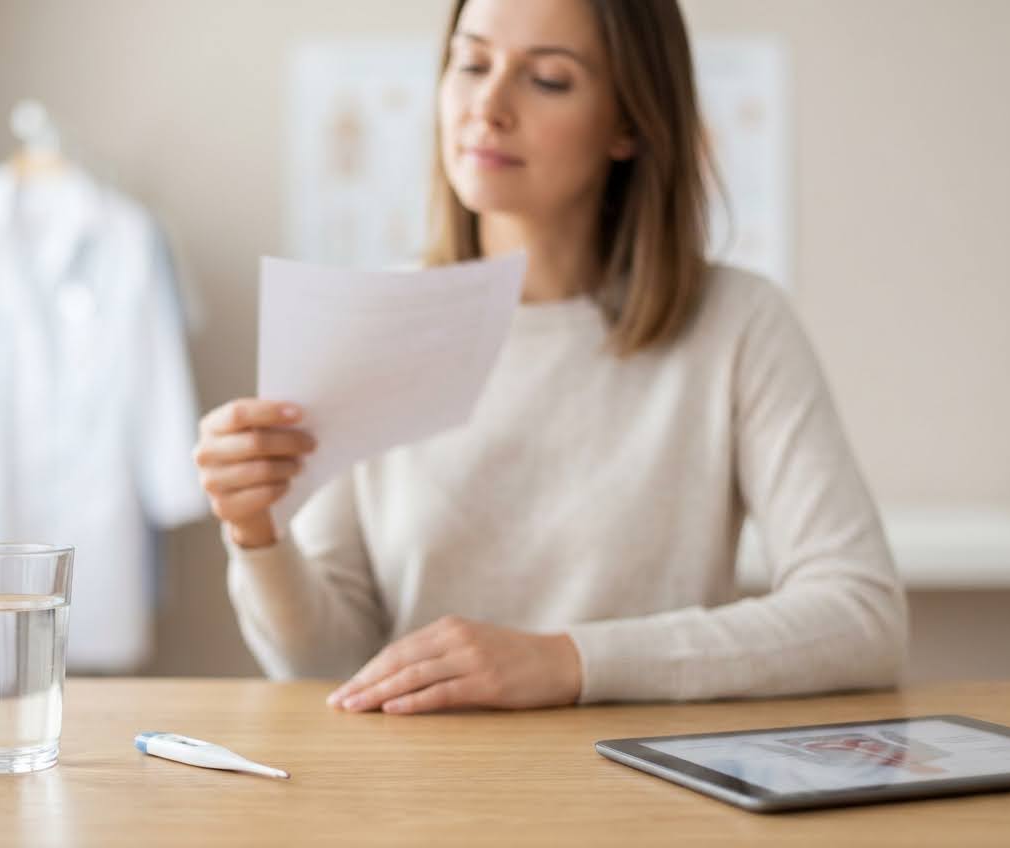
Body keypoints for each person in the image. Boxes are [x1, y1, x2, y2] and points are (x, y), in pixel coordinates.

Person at [192, 0, 907, 713]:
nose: (488, 106)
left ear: (629, 120)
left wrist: (567, 662)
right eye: (471, 64)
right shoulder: (368, 322)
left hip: (652, 796)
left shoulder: (738, 324)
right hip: (426, 803)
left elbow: (860, 616)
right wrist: (257, 533)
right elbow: (330, 668)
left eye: (549, 80)